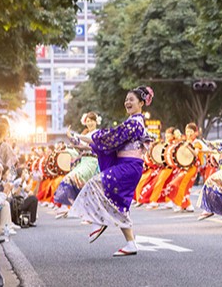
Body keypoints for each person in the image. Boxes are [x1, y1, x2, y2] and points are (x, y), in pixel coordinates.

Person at [69, 86, 154, 257]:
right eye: (126, 99)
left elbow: (110, 137)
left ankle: (98, 220)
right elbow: (110, 144)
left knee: (95, 183)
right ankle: (131, 244)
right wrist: (83, 144)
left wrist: (82, 136)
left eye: (131, 99)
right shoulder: (133, 122)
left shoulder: (134, 123)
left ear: (141, 103)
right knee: (119, 205)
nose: (127, 102)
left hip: (129, 166)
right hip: (128, 164)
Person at [54, 112, 101, 218]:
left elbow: (86, 146)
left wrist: (72, 138)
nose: (89, 123)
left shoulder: (98, 133)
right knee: (84, 188)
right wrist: (67, 150)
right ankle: (67, 207)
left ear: (96, 122)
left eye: (91, 120)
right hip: (83, 161)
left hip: (92, 162)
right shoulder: (85, 135)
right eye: (88, 121)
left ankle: (68, 207)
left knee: (73, 178)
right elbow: (78, 150)